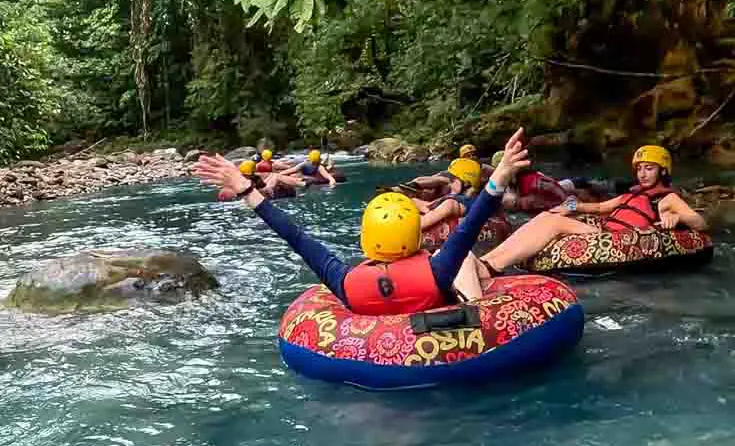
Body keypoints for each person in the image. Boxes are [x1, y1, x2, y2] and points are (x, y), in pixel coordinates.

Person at [193, 128, 531, 313]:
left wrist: (243, 189)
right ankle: (476, 306)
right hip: (449, 337)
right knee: (467, 256)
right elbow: (474, 220)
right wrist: (500, 175)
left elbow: (293, 235)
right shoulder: (439, 270)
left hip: (373, 360)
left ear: (367, 237)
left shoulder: (345, 283)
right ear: (415, 238)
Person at [478, 144, 707, 276]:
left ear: (663, 172)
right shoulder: (632, 193)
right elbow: (598, 207)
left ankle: (495, 266)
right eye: (640, 169)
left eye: (649, 169)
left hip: (617, 239)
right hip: (604, 231)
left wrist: (676, 217)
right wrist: (568, 206)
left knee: (554, 223)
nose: (643, 174)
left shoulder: (667, 198)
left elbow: (701, 224)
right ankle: (489, 259)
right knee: (550, 215)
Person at [416, 159, 484, 231]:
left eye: (451, 179)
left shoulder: (451, 204)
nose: (448, 183)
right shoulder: (474, 199)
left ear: (466, 183)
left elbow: (418, 225)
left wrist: (414, 202)